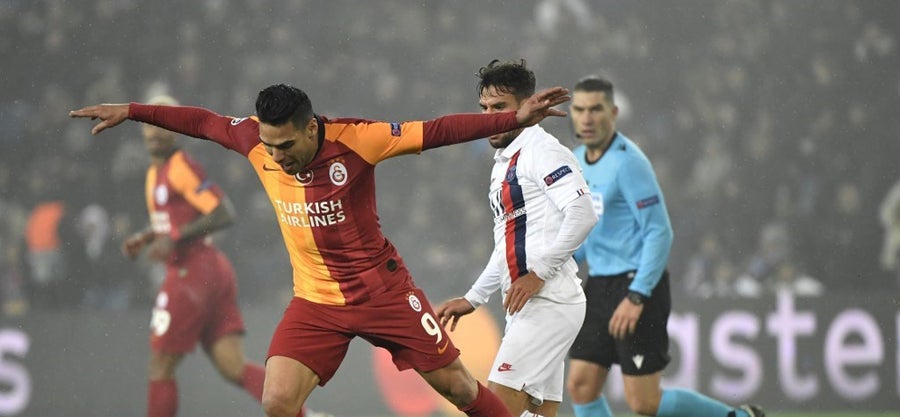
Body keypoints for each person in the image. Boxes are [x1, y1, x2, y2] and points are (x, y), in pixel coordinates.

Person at [70, 83, 570, 417]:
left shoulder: (360, 140)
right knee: (277, 401)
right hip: (315, 302)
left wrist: (514, 118)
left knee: (459, 388)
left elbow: (438, 131)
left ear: (311, 128)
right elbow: (202, 122)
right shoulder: (254, 141)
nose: (276, 156)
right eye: (270, 146)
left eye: (285, 146)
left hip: (384, 294)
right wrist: (132, 111)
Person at [563, 75, 765, 417]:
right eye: (579, 109)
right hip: (598, 284)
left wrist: (636, 296)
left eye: (595, 109)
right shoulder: (575, 159)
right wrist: (555, 264)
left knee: (644, 403)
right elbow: (588, 231)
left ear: (613, 113)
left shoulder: (629, 163)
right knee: (581, 386)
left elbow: (659, 232)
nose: (587, 118)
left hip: (637, 284)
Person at [436, 59, 596, 417]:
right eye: (484, 108)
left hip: (549, 302)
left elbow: (583, 213)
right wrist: (474, 297)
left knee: (494, 412)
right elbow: (506, 244)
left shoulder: (543, 151)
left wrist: (538, 273)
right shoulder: (504, 162)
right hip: (530, 307)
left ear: (526, 107)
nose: (489, 117)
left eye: (499, 108)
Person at [116, 95, 267, 417]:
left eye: (162, 124)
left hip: (193, 271)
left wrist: (174, 238)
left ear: (176, 129)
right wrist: (145, 238)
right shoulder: (154, 174)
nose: (155, 131)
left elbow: (223, 213)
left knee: (161, 365)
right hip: (211, 271)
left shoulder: (180, 166)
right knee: (232, 366)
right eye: (150, 124)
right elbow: (170, 222)